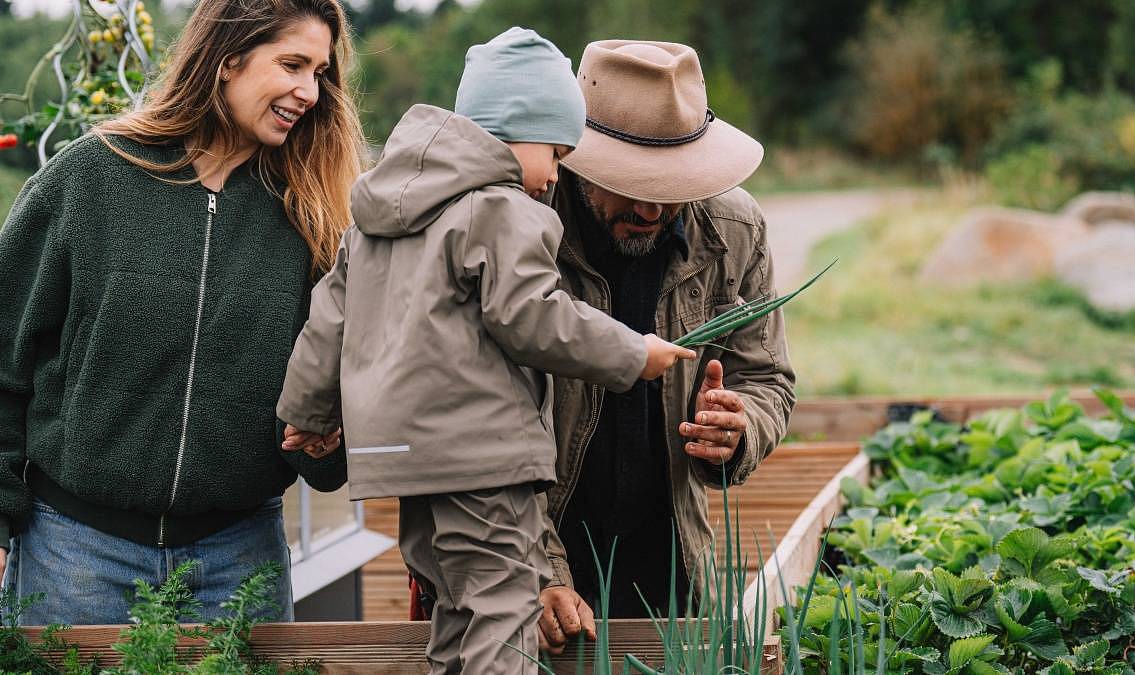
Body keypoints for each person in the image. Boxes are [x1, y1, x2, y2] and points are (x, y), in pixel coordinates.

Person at [276, 28, 694, 674]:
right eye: (554, 150)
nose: (556, 173)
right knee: (504, 608)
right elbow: (533, 314)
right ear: (513, 129)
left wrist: (307, 410)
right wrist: (632, 353)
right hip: (478, 454)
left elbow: (328, 317)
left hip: (402, 460)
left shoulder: (381, 214)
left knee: (454, 606)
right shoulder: (502, 210)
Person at [0, 0, 364, 625]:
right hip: (75, 554)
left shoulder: (315, 216)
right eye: (292, 64)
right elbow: (7, 354)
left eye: (320, 73)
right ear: (227, 60)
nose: (309, 91)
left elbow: (329, 402)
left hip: (240, 560)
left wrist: (328, 443)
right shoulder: (89, 180)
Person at [534, 39, 797, 653]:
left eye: (671, 183)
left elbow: (768, 378)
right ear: (575, 157)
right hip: (537, 563)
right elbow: (471, 427)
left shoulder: (733, 231)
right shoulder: (522, 225)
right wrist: (537, 568)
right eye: (627, 184)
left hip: (671, 563)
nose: (650, 207)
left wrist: (739, 427)